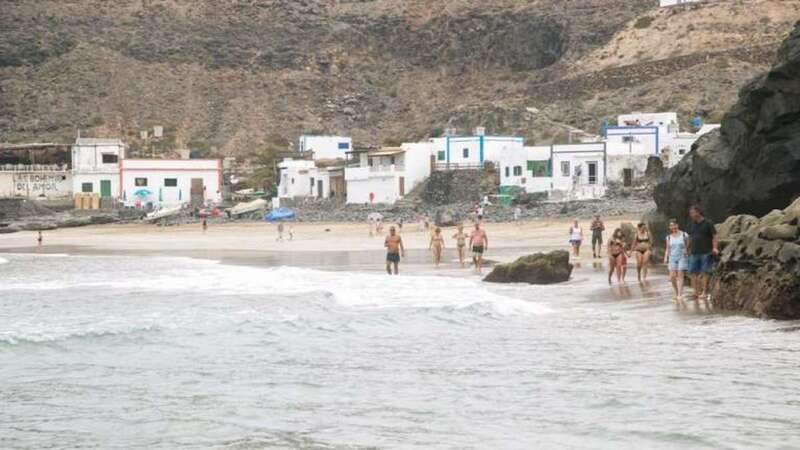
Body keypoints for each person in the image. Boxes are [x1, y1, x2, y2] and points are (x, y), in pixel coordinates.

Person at [686, 205, 719, 302]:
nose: (691, 215)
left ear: (698, 212)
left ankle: (704, 292)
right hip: (694, 251)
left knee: (705, 272)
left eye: (692, 212)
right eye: (690, 213)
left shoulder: (708, 223)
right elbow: (690, 237)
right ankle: (695, 292)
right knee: (692, 272)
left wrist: (715, 248)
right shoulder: (692, 224)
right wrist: (687, 249)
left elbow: (715, 235)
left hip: (706, 251)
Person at [664, 219, 689, 304]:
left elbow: (688, 245)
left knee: (680, 274)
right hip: (672, 257)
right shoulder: (668, 237)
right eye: (671, 225)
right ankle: (676, 291)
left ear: (677, 225)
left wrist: (686, 250)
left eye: (674, 225)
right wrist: (665, 257)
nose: (673, 227)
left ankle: (679, 294)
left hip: (682, 256)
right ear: (669, 227)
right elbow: (667, 248)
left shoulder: (684, 235)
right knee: (672, 276)